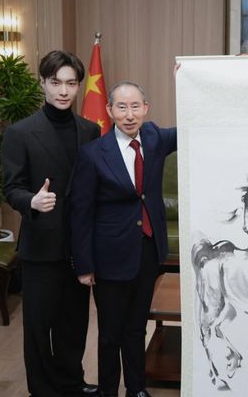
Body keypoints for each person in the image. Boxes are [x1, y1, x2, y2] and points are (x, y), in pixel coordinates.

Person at [1, 50, 100, 397]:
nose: (63, 91)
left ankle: (71, 382)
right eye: (56, 82)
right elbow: (11, 188)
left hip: (78, 247)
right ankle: (43, 390)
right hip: (41, 246)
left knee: (74, 323)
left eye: (71, 83)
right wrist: (31, 201)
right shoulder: (20, 132)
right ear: (42, 82)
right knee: (39, 328)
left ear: (79, 86)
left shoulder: (90, 130)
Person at [70, 81, 177, 397]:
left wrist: (188, 77)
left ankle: (137, 389)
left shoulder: (155, 137)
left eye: (135, 107)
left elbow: (193, 128)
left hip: (147, 250)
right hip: (109, 256)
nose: (129, 115)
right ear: (109, 110)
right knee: (110, 334)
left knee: (136, 327)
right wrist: (84, 265)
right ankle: (108, 391)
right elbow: (81, 213)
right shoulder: (92, 154)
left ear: (145, 108)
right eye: (121, 107)